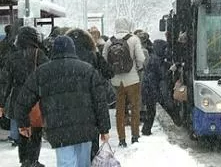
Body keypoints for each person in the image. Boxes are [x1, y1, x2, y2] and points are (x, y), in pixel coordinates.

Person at [14, 36, 111, 167]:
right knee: (84, 163)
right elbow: (100, 101)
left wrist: (23, 123)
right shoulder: (87, 70)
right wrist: (104, 128)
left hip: (59, 129)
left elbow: (23, 101)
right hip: (86, 127)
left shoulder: (43, 72)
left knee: (66, 162)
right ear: (73, 50)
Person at [0, 26, 49, 167]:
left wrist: (2, 103)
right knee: (36, 130)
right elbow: (46, 77)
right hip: (35, 97)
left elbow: (5, 83)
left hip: (17, 97)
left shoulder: (12, 57)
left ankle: (24, 160)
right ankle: (33, 159)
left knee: (23, 128)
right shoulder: (39, 55)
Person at [65, 28, 115, 160]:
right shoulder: (93, 55)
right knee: (91, 143)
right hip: (89, 105)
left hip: (68, 105)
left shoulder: (64, 59)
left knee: (70, 148)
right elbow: (109, 72)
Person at [102, 18, 145, 147]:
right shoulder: (133, 39)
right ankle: (135, 136)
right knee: (135, 108)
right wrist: (138, 67)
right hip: (132, 80)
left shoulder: (109, 41)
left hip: (116, 81)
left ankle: (121, 139)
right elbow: (141, 58)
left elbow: (104, 59)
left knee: (119, 111)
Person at [141, 39, 181, 135]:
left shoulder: (154, 58)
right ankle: (178, 122)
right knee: (165, 107)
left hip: (150, 88)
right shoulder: (156, 60)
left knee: (152, 111)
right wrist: (171, 70)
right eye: (164, 48)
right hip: (152, 89)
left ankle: (146, 130)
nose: (166, 51)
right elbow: (162, 75)